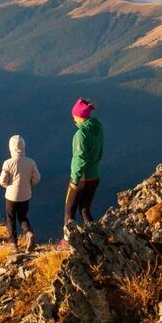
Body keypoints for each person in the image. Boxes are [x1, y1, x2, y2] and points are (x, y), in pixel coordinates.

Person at [63, 98, 103, 243]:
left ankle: (68, 241)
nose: (73, 119)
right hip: (95, 176)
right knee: (85, 209)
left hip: (81, 178)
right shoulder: (97, 129)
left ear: (80, 116)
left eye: (74, 116)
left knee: (69, 210)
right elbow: (100, 152)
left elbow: (79, 159)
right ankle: (97, 237)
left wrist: (74, 179)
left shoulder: (81, 134)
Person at [0, 134, 40, 251]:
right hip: (26, 195)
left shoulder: (8, 163)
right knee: (23, 216)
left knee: (11, 218)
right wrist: (29, 184)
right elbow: (37, 177)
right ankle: (28, 233)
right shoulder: (31, 162)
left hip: (11, 196)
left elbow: (2, 180)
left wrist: (8, 186)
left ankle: (13, 244)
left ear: (10, 148)